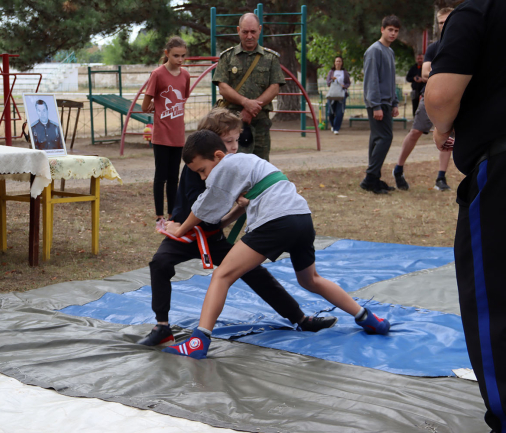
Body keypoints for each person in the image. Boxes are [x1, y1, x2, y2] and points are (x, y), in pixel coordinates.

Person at [160, 130, 390, 359]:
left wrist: (179, 229)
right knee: (310, 279)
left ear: (218, 156)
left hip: (276, 221)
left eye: (202, 170)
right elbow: (242, 205)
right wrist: (222, 222)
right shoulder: (248, 162)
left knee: (222, 275)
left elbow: (205, 206)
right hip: (301, 217)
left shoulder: (226, 166)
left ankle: (198, 342)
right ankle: (368, 317)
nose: (202, 178)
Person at [138, 109, 337, 347]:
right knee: (160, 263)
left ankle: (300, 318)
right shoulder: (198, 167)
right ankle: (162, 325)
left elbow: (225, 209)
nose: (234, 147)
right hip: (187, 232)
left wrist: (239, 205)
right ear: (210, 145)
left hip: (212, 236)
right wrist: (181, 227)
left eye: (236, 140)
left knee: (254, 272)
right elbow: (201, 207)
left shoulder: (229, 165)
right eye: (228, 141)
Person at [426, 1, 506, 431]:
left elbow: (440, 96)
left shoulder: (478, 11)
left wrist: (443, 128)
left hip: (500, 170)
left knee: (493, 301)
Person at [393, 8, 454, 192]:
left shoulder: (464, 45)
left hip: (453, 98)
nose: (444, 25)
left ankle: (441, 177)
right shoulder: (435, 48)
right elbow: (425, 72)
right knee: (416, 131)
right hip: (432, 96)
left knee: (448, 137)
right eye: (441, 22)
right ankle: (398, 168)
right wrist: (450, 74)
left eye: (447, 21)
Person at [212, 12, 286, 161]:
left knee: (261, 165)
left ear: (260, 30)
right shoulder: (227, 57)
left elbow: (274, 87)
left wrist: (251, 109)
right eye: (245, 32)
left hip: (260, 122)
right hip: (233, 123)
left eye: (253, 31)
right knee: (235, 164)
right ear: (238, 30)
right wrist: (245, 102)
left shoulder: (270, 58)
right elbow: (223, 87)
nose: (249, 36)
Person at [142, 36, 190, 222]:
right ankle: (159, 216)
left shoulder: (185, 75)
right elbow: (145, 105)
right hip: (161, 134)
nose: (180, 60)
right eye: (176, 55)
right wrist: (156, 105)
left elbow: (183, 98)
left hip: (178, 135)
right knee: (160, 176)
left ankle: (172, 215)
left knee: (174, 177)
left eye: (183, 56)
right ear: (167, 53)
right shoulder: (157, 74)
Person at [360, 15, 401, 195]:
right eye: (390, 30)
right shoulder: (374, 51)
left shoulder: (389, 51)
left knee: (377, 139)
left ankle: (374, 178)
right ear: (382, 29)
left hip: (386, 102)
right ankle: (370, 178)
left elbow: (390, 80)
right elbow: (372, 80)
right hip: (377, 103)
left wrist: (394, 102)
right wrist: (376, 105)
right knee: (385, 138)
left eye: (396, 31)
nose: (393, 33)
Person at [325, 56, 351, 135]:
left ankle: (336, 128)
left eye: (339, 61)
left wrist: (344, 86)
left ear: (342, 63)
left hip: (341, 94)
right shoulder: (331, 72)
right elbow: (328, 83)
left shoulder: (344, 72)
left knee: (340, 112)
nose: (338, 63)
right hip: (332, 94)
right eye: (337, 61)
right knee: (330, 112)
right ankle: (333, 125)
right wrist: (332, 80)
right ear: (334, 62)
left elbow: (348, 83)